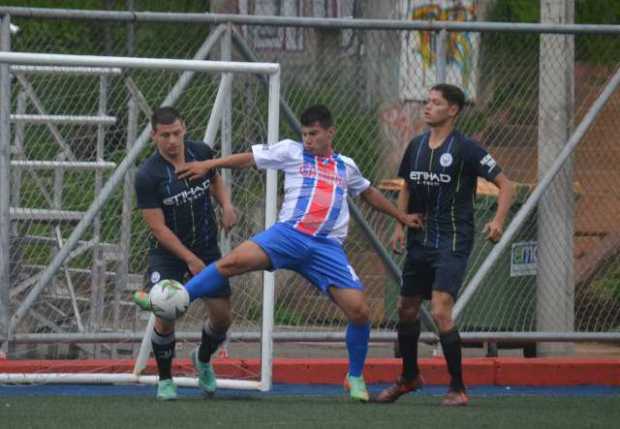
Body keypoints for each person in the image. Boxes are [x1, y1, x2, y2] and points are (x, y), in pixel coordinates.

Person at [134, 104, 422, 402]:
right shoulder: (291, 151)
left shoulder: (346, 166)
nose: (308, 139)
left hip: (326, 248)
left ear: (330, 133)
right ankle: (176, 299)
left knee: (360, 311)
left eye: (314, 134)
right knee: (230, 262)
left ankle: (355, 377)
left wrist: (400, 217)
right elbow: (249, 159)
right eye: (305, 134)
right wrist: (209, 165)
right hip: (287, 236)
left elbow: (368, 192)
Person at [374, 84, 514, 406]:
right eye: (427, 101)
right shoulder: (416, 146)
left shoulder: (467, 148)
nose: (428, 107)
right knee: (405, 308)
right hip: (419, 239)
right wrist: (400, 223)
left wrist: (498, 220)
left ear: (453, 110)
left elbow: (506, 186)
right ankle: (409, 377)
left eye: (435, 103)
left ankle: (458, 388)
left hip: (452, 240)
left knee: (440, 310)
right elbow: (406, 186)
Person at [133, 106, 237, 401]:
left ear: (185, 129)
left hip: (206, 247)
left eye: (176, 133)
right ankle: (165, 380)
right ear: (154, 135)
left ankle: (202, 358)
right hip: (168, 253)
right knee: (167, 313)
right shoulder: (147, 175)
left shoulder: (201, 151)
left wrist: (226, 205)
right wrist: (189, 259)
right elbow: (158, 228)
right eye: (164, 135)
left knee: (221, 318)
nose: (172, 141)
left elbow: (215, 179)